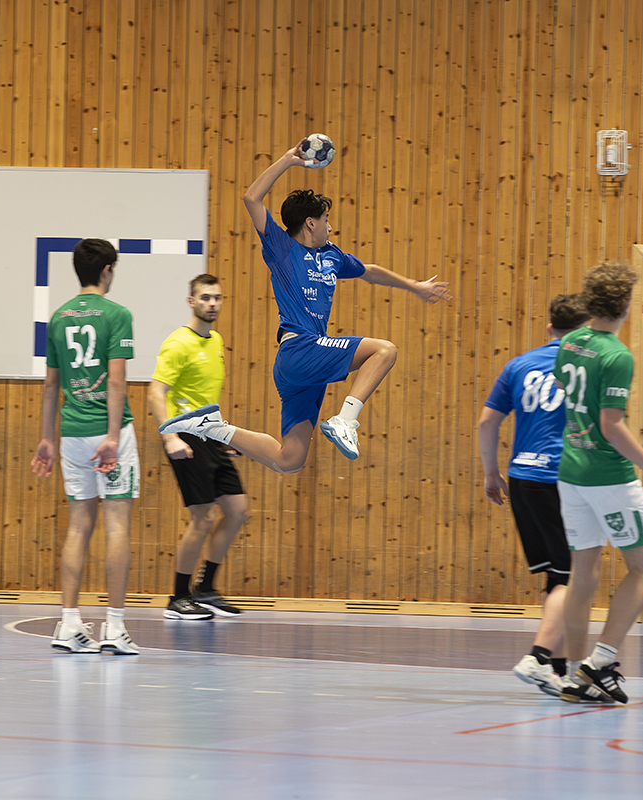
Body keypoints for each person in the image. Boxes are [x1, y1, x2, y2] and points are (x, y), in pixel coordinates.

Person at [159, 138, 452, 471]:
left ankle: (215, 428)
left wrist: (413, 286)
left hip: (300, 368)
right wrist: (288, 160)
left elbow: (368, 272)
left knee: (290, 460)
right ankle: (345, 420)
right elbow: (251, 198)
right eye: (327, 218)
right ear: (311, 222)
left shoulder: (332, 256)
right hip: (301, 348)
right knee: (384, 351)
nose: (331, 225)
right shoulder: (282, 248)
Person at [553, 262, 643, 704]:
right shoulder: (617, 354)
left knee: (582, 575)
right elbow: (611, 425)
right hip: (609, 477)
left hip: (571, 473)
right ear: (627, 305)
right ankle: (601, 659)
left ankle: (573, 675)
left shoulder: (570, 341)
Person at [30, 238, 140, 655]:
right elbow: (116, 381)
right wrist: (113, 436)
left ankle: (69, 623)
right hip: (108, 434)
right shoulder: (118, 314)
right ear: (107, 270)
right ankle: (114, 626)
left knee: (78, 526)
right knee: (116, 526)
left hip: (72, 432)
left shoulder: (58, 318)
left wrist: (47, 437)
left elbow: (51, 385)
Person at [477, 294, 591, 696]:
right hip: (564, 479)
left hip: (523, 476)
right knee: (576, 576)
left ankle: (557, 669)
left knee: (556, 575)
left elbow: (487, 422)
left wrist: (492, 473)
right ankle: (540, 656)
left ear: (549, 329)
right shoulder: (584, 366)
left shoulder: (519, 365)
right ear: (587, 329)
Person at [149, 274, 250, 621]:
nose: (213, 303)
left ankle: (205, 590)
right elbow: (155, 392)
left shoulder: (217, 341)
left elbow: (206, 397)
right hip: (184, 436)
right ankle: (178, 598)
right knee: (204, 517)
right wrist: (169, 437)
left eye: (218, 298)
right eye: (205, 297)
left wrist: (221, 438)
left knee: (237, 510)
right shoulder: (178, 344)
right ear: (191, 302)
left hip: (211, 436)